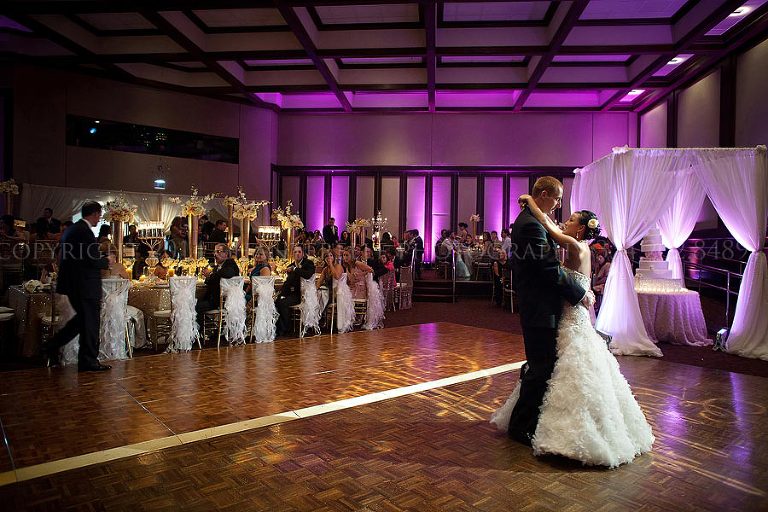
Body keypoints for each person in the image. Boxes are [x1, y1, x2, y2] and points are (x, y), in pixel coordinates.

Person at [491, 191, 654, 468]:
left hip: (570, 313)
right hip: (567, 312)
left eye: (571, 219)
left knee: (561, 368)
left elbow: (549, 230)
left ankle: (567, 428)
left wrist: (531, 203)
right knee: (554, 367)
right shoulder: (578, 246)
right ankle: (536, 421)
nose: (564, 220)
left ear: (580, 228)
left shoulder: (576, 246)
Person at [500, 177, 591, 447]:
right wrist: (579, 293)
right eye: (557, 198)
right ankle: (520, 427)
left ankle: (528, 420)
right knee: (541, 368)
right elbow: (547, 269)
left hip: (544, 305)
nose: (559, 204)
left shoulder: (533, 219)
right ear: (544, 194)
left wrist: (529, 201)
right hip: (539, 306)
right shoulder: (529, 225)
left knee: (540, 365)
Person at [43, 201, 114, 372]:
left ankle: (51, 346)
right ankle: (88, 361)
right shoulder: (84, 232)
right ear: (95, 214)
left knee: (81, 322)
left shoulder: (72, 230)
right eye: (99, 215)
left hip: (74, 284)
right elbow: (89, 259)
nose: (100, 219)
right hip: (84, 285)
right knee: (90, 323)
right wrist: (106, 261)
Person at [275, 245, 316, 336]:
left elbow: (307, 275)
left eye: (299, 252)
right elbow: (287, 283)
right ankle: (280, 329)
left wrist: (295, 269)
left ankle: (286, 328)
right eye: (295, 252)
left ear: (303, 253)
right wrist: (282, 294)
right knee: (277, 301)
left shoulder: (308, 263)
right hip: (291, 293)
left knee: (282, 303)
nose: (297, 254)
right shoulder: (291, 265)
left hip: (303, 295)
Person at [195, 244, 239, 323]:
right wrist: (208, 276)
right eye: (215, 252)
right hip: (213, 299)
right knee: (193, 303)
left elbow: (229, 273)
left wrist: (211, 274)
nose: (215, 254)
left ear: (226, 254)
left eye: (218, 252)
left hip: (222, 301)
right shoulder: (217, 267)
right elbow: (211, 281)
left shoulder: (230, 263)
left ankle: (199, 331)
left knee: (195, 307)